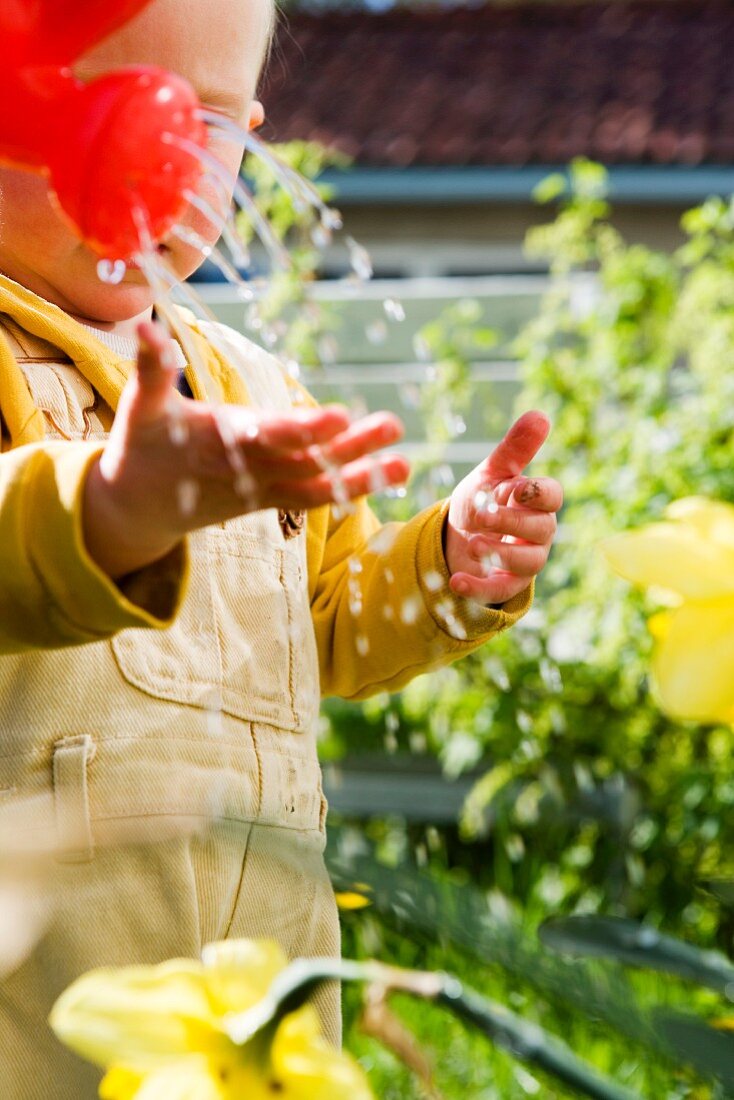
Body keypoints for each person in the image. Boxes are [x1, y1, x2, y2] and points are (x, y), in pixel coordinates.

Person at [0, 0, 562, 1094]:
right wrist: (107, 511)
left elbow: (337, 624)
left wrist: (446, 566)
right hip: (40, 1026)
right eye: (91, 104)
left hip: (264, 1006)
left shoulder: (251, 386)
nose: (148, 163)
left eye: (199, 125)